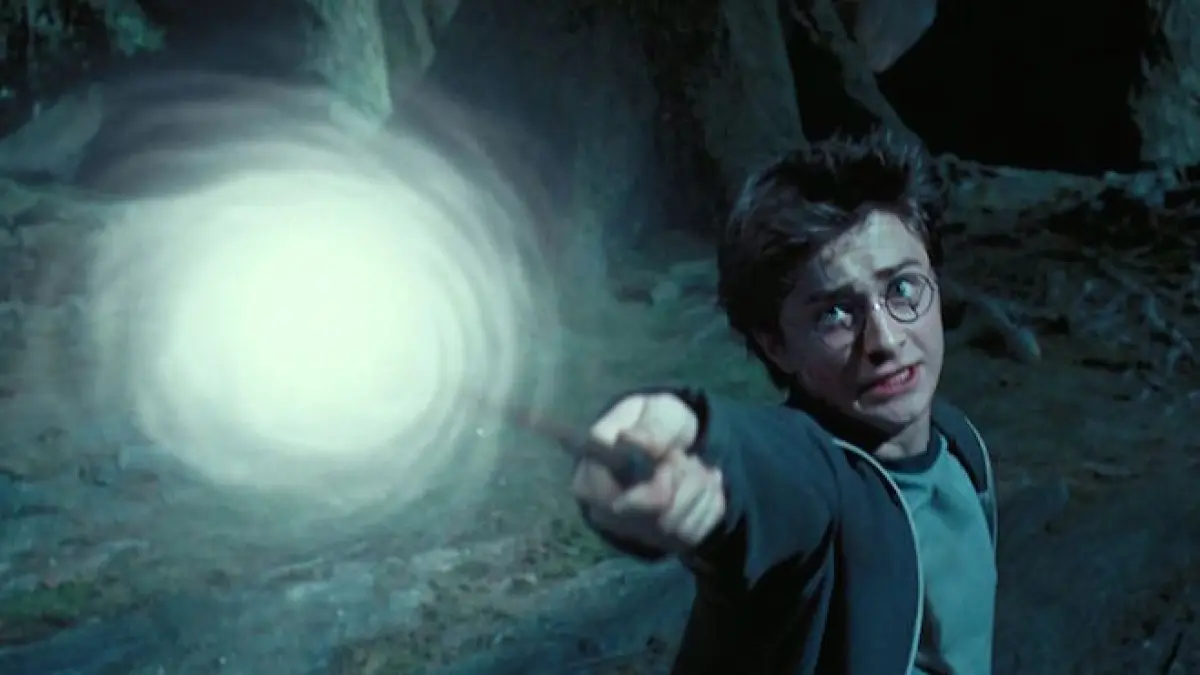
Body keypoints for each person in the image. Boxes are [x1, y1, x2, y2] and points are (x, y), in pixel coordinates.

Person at [572, 130, 998, 675]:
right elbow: (764, 469)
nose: (886, 340)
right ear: (775, 343)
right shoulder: (815, 483)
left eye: (902, 289)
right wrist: (682, 436)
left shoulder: (960, 445)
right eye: (834, 315)